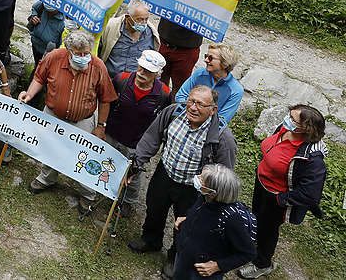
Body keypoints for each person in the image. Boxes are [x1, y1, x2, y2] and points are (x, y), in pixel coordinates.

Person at [127, 86, 238, 267]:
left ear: (213, 110)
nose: (193, 108)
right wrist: (138, 162)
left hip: (192, 188)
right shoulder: (173, 112)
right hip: (165, 173)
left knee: (186, 225)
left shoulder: (223, 137)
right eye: (191, 101)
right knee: (154, 209)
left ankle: (175, 258)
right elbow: (152, 137)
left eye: (201, 104)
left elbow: (224, 174)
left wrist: (211, 198)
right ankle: (151, 240)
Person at [19, 29, 117, 214]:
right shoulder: (54, 57)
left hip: (84, 121)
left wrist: (101, 126)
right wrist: (29, 94)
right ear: (68, 50)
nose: (83, 57)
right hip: (53, 115)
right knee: (50, 148)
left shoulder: (98, 67)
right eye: (78, 54)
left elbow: (105, 99)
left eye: (86, 53)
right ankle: (47, 178)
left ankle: (88, 194)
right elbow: (39, 77)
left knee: (86, 157)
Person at [238, 105, 326, 278]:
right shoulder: (285, 128)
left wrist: (280, 199)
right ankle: (252, 242)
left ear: (305, 128)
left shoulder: (312, 158)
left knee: (268, 229)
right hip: (262, 183)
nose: (287, 119)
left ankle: (262, 263)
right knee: (257, 217)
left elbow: (310, 194)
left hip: (277, 197)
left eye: (293, 119)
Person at [105, 50, 171, 218]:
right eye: (141, 68)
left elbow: (162, 122)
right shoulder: (122, 79)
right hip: (112, 133)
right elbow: (108, 103)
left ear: (157, 74)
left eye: (148, 71)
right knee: (106, 163)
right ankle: (102, 188)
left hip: (137, 142)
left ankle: (128, 202)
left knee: (133, 174)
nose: (142, 73)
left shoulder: (164, 93)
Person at [172, 164, 257, 280]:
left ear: (213, 192)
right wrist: (187, 218)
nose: (196, 178)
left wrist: (217, 266)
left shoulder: (231, 219)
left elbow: (248, 253)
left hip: (200, 273)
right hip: (183, 257)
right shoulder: (204, 197)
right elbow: (199, 213)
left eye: (201, 179)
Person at [174, 44, 244, 126]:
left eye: (211, 58)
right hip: (183, 119)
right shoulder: (199, 73)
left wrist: (196, 112)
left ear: (225, 63)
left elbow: (222, 120)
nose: (206, 60)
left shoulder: (236, 90)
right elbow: (179, 97)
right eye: (206, 56)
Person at [100, 0, 160, 77]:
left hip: (134, 83)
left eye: (146, 19)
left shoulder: (151, 34)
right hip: (110, 80)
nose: (144, 23)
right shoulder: (111, 28)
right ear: (128, 17)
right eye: (140, 19)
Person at [158, 18, 204, 95]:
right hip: (164, 41)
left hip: (188, 49)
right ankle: (161, 104)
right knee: (160, 80)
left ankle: (173, 106)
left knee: (180, 88)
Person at [26, 2, 68, 66]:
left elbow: (61, 42)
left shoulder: (64, 22)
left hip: (47, 51)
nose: (49, 12)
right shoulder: (43, 4)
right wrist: (34, 15)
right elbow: (34, 7)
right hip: (35, 43)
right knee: (37, 63)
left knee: (39, 68)